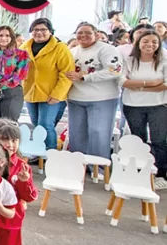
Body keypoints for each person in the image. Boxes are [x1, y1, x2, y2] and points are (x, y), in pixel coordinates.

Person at [67, 22, 125, 163]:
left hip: (103, 98)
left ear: (97, 34)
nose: (83, 36)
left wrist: (85, 77)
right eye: (80, 33)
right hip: (76, 98)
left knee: (99, 133)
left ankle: (98, 167)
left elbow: (115, 70)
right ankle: (77, 165)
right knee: (77, 134)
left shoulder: (107, 50)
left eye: (88, 32)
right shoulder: (72, 51)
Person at [21, 18, 74, 149]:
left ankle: (50, 155)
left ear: (50, 31)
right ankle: (39, 154)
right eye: (35, 30)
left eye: (43, 29)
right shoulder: (24, 47)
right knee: (36, 125)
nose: (39, 32)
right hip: (30, 93)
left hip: (52, 95)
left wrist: (58, 94)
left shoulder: (60, 48)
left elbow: (66, 74)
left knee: (45, 124)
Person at [122, 31, 167, 173]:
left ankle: (160, 172)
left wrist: (138, 86)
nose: (150, 44)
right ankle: (139, 171)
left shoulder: (164, 60)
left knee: (159, 140)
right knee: (138, 140)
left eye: (154, 42)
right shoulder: (129, 61)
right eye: (145, 41)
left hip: (158, 105)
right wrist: (152, 83)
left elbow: (165, 84)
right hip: (133, 105)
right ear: (138, 43)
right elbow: (122, 81)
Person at [0, 26, 30, 121]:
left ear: (12, 38)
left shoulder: (21, 54)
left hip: (12, 93)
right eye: (0, 35)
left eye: (7, 35)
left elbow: (19, 75)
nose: (3, 38)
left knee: (9, 125)